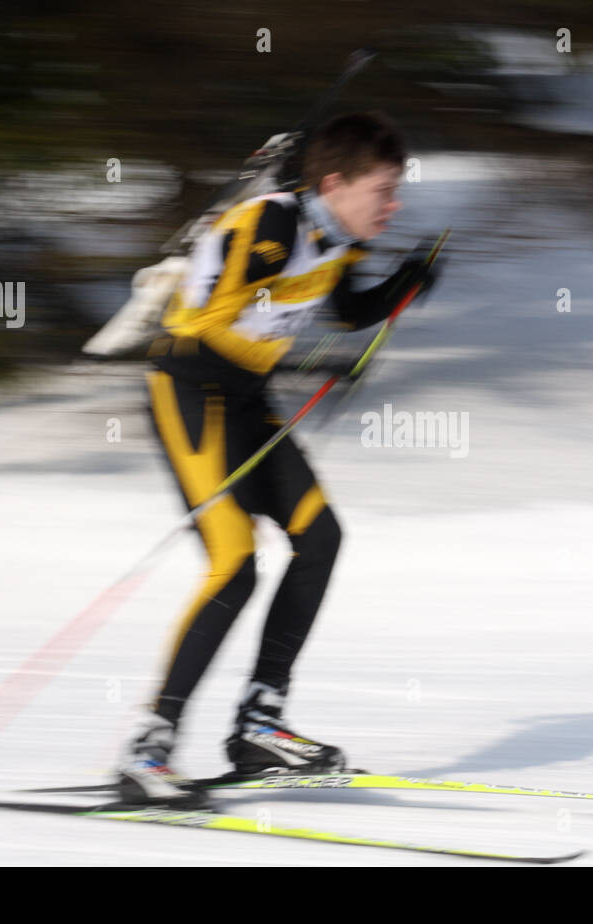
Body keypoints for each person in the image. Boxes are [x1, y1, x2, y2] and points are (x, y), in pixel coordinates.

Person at [118, 111, 441, 804]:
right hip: (189, 391)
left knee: (319, 537)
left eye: (397, 190)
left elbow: (348, 312)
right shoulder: (271, 224)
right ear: (334, 182)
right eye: (383, 189)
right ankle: (150, 746)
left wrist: (404, 286)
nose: (394, 203)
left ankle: (258, 725)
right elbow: (220, 312)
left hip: (245, 400)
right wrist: (321, 353)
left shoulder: (337, 238)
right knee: (234, 562)